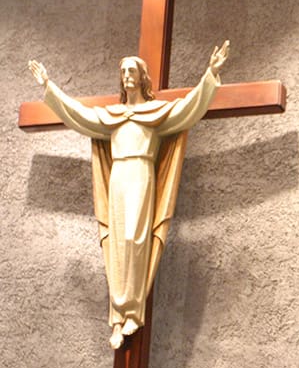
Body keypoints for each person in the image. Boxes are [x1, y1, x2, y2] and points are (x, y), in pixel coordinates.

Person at [28, 41, 230, 349]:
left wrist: (210, 73)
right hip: (119, 177)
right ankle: (117, 318)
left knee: (137, 240)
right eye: (122, 71)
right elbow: (78, 114)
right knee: (119, 244)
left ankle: (133, 311)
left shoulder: (156, 114)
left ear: (143, 77)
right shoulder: (112, 117)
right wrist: (49, 86)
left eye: (132, 70)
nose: (126, 75)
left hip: (141, 176)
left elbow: (188, 107)